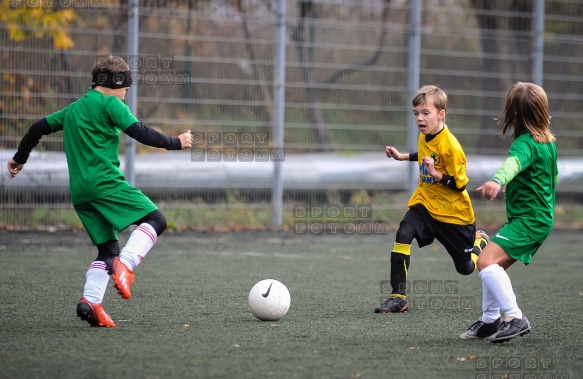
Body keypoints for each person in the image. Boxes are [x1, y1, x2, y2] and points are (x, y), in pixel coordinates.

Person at [7, 56, 193, 328]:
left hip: (81, 193)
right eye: (126, 88)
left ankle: (91, 302)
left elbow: (37, 128)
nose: (127, 94)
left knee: (107, 251)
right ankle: (126, 266)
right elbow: (139, 132)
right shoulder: (111, 104)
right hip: (105, 184)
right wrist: (176, 142)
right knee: (156, 220)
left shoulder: (73, 109)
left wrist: (20, 158)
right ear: (116, 84)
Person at [375, 85, 488, 314]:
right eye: (416, 113)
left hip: (453, 214)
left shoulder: (452, 146)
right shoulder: (425, 134)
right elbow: (425, 154)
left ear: (441, 114)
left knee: (465, 268)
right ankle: (398, 297)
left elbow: (461, 183)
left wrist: (436, 174)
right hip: (425, 203)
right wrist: (402, 156)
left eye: (425, 113)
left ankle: (480, 241)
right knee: (403, 233)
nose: (419, 118)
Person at [459, 82, 557, 343]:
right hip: (538, 219)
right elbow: (550, 180)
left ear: (513, 115)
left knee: (485, 261)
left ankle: (515, 318)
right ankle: (490, 320)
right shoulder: (547, 144)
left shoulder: (524, 144)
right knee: (495, 264)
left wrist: (497, 181)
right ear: (542, 111)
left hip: (529, 221)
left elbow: (512, 164)